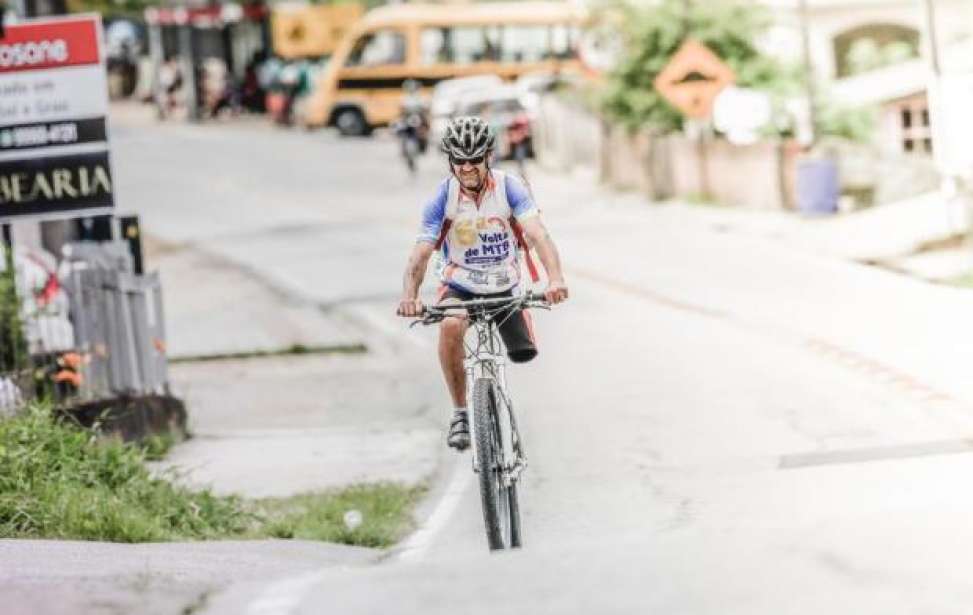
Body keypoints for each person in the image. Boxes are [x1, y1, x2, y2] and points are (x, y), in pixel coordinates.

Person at [396, 116, 569, 450]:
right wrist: (410, 296)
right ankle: (461, 412)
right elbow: (420, 253)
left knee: (523, 352)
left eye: (474, 160)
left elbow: (537, 233)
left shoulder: (510, 187)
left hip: (504, 284)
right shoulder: (442, 197)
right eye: (459, 161)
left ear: (488, 157)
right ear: (450, 161)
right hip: (459, 284)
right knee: (450, 324)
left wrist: (555, 278)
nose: (467, 168)